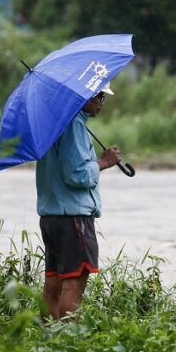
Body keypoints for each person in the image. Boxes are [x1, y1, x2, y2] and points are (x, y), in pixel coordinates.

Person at [36, 85, 121, 321]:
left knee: (53, 284)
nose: (102, 102)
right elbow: (77, 175)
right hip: (73, 217)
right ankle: (68, 343)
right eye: (99, 96)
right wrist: (103, 162)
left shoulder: (57, 125)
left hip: (52, 217)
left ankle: (48, 340)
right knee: (73, 285)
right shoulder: (73, 126)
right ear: (82, 97)